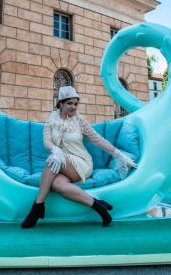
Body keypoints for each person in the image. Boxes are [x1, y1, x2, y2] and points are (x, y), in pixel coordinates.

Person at [21, 86, 137, 228]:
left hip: (82, 162)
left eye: (76, 104)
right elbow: (47, 142)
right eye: (70, 103)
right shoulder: (51, 121)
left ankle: (37, 207)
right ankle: (99, 206)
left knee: (52, 161)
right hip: (63, 163)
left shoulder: (80, 121)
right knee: (58, 185)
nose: (73, 107)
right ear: (61, 103)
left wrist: (117, 153)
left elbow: (97, 139)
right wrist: (56, 151)